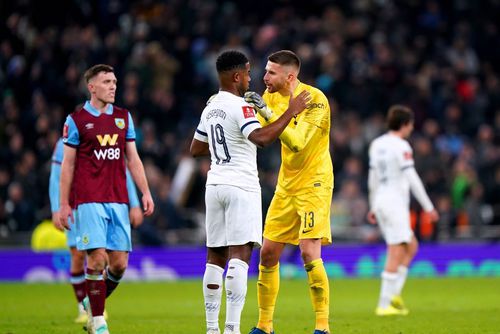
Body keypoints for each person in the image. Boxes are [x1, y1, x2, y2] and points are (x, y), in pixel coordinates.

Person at [190, 50, 310, 334]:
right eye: (247, 73)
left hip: (215, 185)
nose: (251, 77)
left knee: (214, 256)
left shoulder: (211, 107)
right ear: (236, 76)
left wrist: (226, 142)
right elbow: (262, 139)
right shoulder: (241, 106)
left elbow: (195, 149)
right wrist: (290, 112)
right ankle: (232, 328)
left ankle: (211, 329)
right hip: (241, 186)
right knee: (240, 256)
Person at [59, 64, 154, 334]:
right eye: (107, 82)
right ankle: (98, 323)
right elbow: (67, 165)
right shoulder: (76, 121)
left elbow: (132, 158)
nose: (113, 86)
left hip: (119, 200)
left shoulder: (124, 117)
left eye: (114, 81)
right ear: (92, 87)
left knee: (119, 265)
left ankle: (94, 301)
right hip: (89, 199)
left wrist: (145, 192)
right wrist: (64, 204)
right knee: (97, 259)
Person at [244, 50, 333, 334]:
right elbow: (260, 136)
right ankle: (264, 326)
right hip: (286, 184)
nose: (264, 77)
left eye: (271, 73)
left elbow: (298, 143)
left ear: (289, 76)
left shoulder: (314, 100)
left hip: (314, 183)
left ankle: (322, 326)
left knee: (309, 251)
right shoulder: (269, 97)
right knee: (268, 253)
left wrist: (266, 111)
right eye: (266, 71)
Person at [49, 137, 144, 324]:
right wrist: (56, 208)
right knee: (77, 255)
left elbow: (123, 170)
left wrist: (134, 203)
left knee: (105, 258)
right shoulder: (65, 143)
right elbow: (56, 175)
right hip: (77, 206)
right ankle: (83, 308)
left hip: (105, 203)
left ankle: (95, 305)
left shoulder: (109, 136)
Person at [366, 105, 439, 316]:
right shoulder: (402, 146)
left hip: (381, 200)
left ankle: (394, 296)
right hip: (394, 203)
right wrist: (429, 207)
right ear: (405, 124)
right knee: (396, 249)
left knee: (411, 246)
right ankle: (384, 304)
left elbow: (373, 178)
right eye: (411, 123)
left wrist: (373, 204)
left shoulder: (377, 144)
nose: (412, 127)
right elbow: (412, 177)